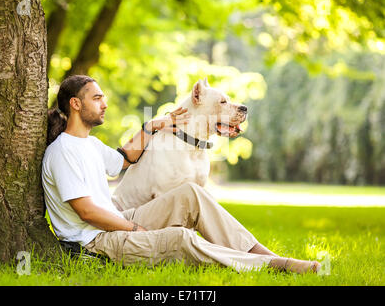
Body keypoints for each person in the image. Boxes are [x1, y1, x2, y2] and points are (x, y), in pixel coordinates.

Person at [42, 75, 320, 274]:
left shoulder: (89, 143)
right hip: (95, 242)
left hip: (115, 222)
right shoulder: (63, 151)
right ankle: (273, 267)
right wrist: (134, 229)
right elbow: (87, 213)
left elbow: (123, 161)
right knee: (180, 238)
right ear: (76, 104)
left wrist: (152, 126)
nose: (105, 103)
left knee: (192, 195)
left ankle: (266, 255)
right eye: (97, 98)